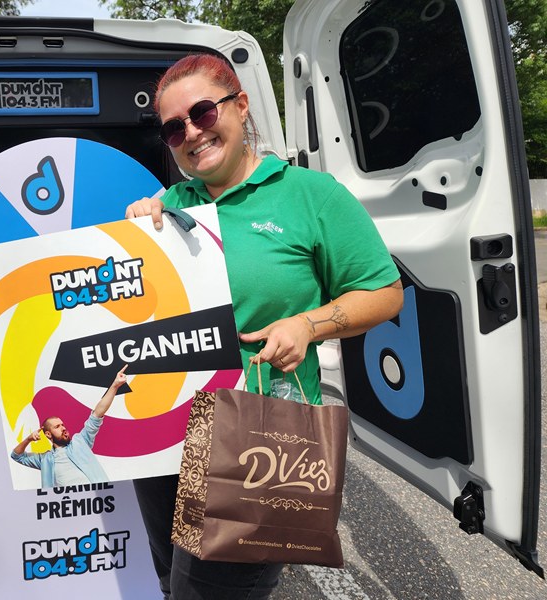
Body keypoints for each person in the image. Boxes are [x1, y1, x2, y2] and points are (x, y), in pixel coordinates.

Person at [124, 54, 404, 600]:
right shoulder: (169, 206)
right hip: (166, 429)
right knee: (171, 579)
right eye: (174, 128)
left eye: (203, 113)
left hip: (260, 436)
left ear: (241, 105)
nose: (191, 134)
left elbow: (385, 293)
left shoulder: (312, 195)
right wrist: (132, 245)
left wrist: (307, 324)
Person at [11, 365, 128, 488]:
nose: (63, 428)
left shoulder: (80, 441)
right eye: (57, 427)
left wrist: (115, 386)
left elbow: (97, 414)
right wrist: (29, 439)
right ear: (48, 434)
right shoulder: (44, 460)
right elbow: (17, 456)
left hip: (98, 495)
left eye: (63, 425)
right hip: (68, 499)